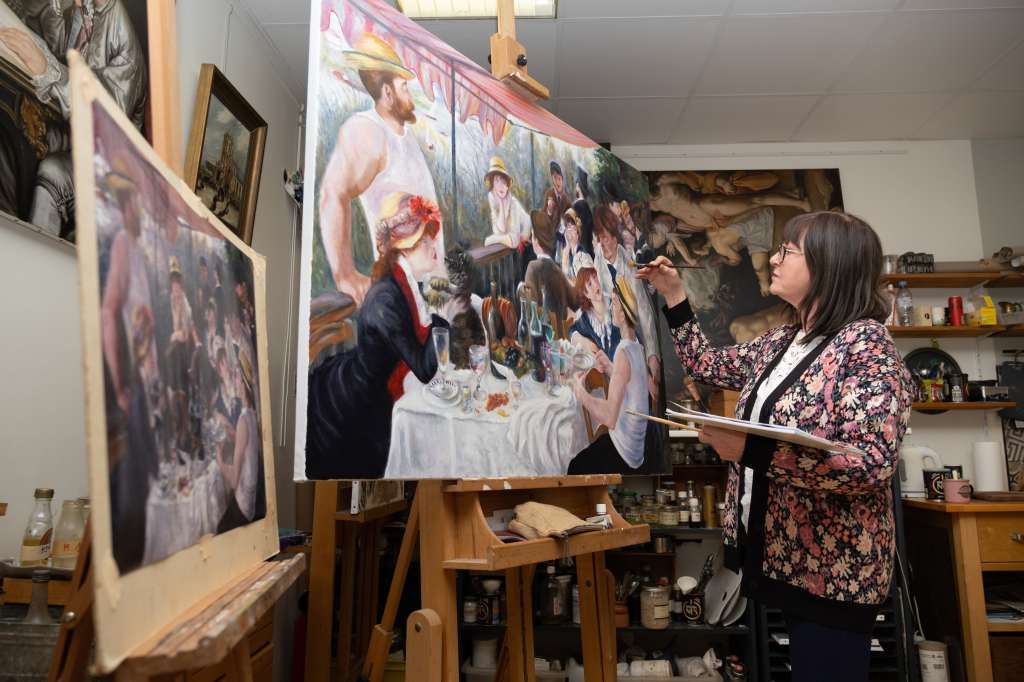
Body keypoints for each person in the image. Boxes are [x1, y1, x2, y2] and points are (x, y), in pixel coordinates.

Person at [638, 211, 915, 682]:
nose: (776, 257)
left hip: (832, 574)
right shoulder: (784, 340)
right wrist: (673, 295)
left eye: (790, 249)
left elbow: (870, 464)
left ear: (830, 265)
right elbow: (706, 364)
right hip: (781, 560)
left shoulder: (865, 344)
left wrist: (750, 451)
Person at [306, 193, 449, 478]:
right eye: (424, 242)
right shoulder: (386, 298)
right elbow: (425, 369)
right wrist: (441, 316)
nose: (434, 249)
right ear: (403, 250)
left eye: (431, 240)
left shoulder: (409, 286)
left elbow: (434, 360)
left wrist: (437, 315)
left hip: (387, 388)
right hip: (358, 405)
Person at [0, 0, 148, 239]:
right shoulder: (87, 10)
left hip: (109, 160)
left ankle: (36, 255)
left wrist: (45, 70)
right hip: (74, 131)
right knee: (12, 131)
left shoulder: (123, 39)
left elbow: (104, 114)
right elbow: (62, 51)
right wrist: (55, 10)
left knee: (51, 170)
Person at [318, 33, 440, 304]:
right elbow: (332, 192)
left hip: (427, 290)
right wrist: (345, 274)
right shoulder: (367, 130)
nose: (410, 95)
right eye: (404, 87)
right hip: (402, 293)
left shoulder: (404, 135)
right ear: (387, 92)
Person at [568, 282, 648, 473]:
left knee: (574, 466)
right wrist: (611, 368)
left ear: (622, 314)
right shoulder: (635, 346)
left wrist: (580, 392)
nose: (610, 308)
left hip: (625, 449)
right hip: (637, 447)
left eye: (614, 304)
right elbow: (630, 383)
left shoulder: (622, 351)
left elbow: (609, 418)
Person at [592, 204, 660, 402]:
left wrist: (653, 356)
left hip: (632, 336)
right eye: (599, 237)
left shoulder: (628, 267)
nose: (603, 244)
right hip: (609, 338)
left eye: (606, 237)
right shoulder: (596, 260)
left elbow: (645, 315)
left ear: (615, 237)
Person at [215, 353, 264, 533]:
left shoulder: (243, 420)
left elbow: (234, 482)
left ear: (243, 384)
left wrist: (219, 460)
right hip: (250, 507)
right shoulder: (251, 414)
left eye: (236, 375)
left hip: (243, 509)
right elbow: (244, 444)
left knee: (216, 527)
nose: (234, 379)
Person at [569, 264, 617, 374]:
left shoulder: (614, 304)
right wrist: (584, 341)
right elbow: (571, 330)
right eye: (590, 284)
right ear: (586, 294)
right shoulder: (587, 318)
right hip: (606, 375)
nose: (596, 285)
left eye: (595, 277)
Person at [483, 156, 531, 250]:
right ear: (492, 185)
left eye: (504, 182)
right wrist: (501, 205)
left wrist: (491, 240)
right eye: (497, 181)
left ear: (507, 186)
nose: (501, 185)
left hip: (526, 238)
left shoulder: (513, 204)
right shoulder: (493, 198)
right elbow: (499, 231)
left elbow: (514, 240)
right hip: (512, 244)